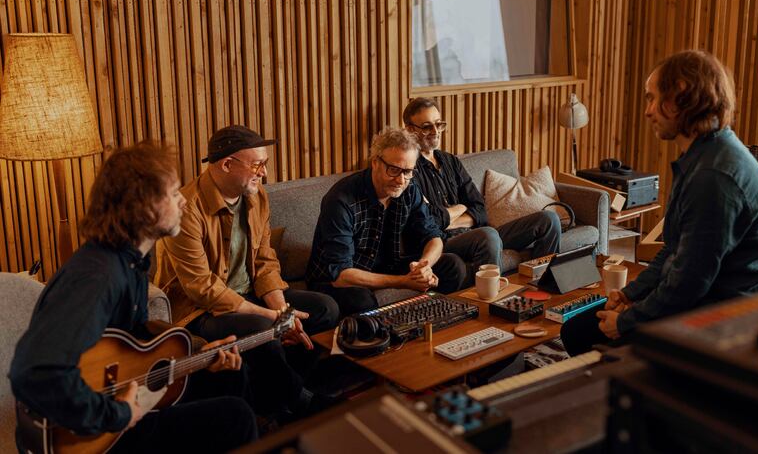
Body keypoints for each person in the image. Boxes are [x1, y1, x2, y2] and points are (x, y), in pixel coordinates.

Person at [10, 142, 257, 453]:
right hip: (94, 429)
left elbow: (133, 344)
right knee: (237, 418)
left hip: (119, 396)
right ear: (144, 205)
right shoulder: (98, 276)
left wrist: (200, 355)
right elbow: (33, 373)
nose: (183, 202)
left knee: (231, 377)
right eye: (173, 193)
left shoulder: (131, 261)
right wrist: (117, 414)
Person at [560, 50, 758, 355]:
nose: (648, 111)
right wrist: (629, 294)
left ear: (680, 97)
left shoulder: (712, 177)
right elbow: (674, 250)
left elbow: (689, 282)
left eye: (652, 99)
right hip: (709, 295)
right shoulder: (705, 154)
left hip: (731, 316)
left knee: (582, 333)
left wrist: (627, 321)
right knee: (579, 327)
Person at [155, 125, 339, 417]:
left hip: (251, 294)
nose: (264, 173)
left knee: (325, 308)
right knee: (264, 328)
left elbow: (265, 258)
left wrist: (283, 308)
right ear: (227, 164)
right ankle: (299, 403)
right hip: (202, 311)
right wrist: (273, 317)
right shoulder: (186, 209)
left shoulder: (257, 196)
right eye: (258, 164)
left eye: (264, 164)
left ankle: (279, 396)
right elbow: (201, 286)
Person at [306, 127, 467, 316]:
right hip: (337, 280)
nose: (401, 180)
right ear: (375, 162)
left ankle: (434, 322)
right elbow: (342, 275)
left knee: (452, 265)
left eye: (408, 171)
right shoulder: (341, 200)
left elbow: (433, 237)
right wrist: (403, 281)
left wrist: (424, 267)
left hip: (386, 265)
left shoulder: (410, 188)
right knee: (361, 300)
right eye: (394, 170)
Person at [403, 97, 561, 279]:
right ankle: (493, 303)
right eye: (426, 126)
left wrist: (451, 217)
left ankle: (542, 284)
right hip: (441, 242)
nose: (435, 131)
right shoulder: (408, 168)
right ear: (410, 130)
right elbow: (430, 222)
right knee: (488, 235)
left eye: (439, 124)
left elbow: (479, 209)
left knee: (548, 220)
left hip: (477, 234)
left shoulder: (450, 161)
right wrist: (461, 208)